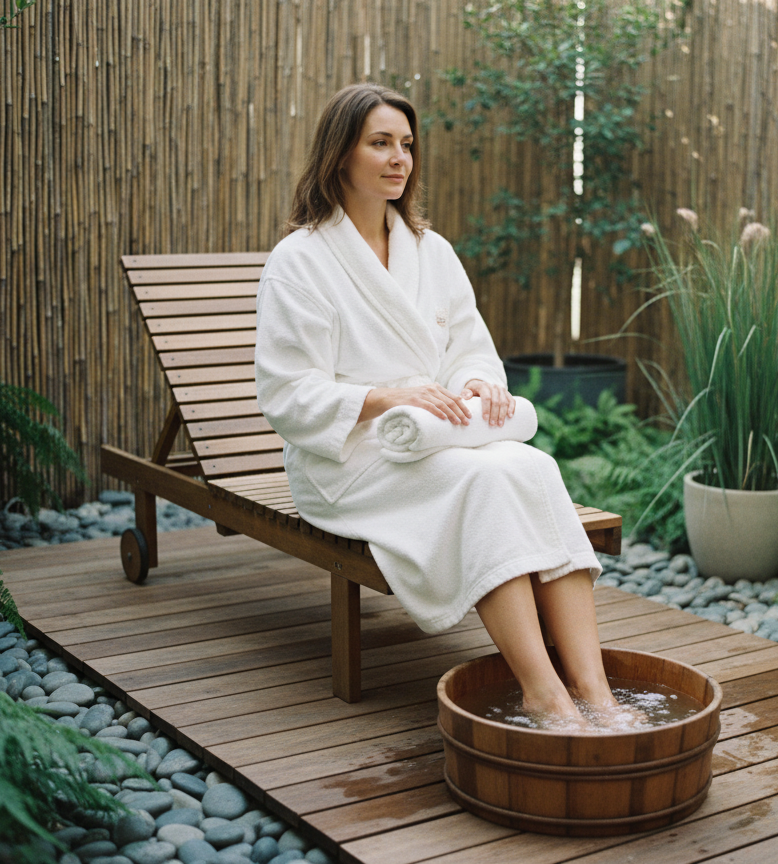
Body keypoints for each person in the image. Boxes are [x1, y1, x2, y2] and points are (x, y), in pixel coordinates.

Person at [255, 82, 623, 727]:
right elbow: (287, 393)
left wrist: (479, 381)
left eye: (406, 144)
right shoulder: (301, 260)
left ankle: (597, 693)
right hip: (345, 460)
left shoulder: (433, 251)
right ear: (340, 153)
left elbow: (469, 349)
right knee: (481, 482)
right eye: (380, 143)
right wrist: (383, 396)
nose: (400, 158)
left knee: (534, 470)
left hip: (438, 436)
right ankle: (544, 694)